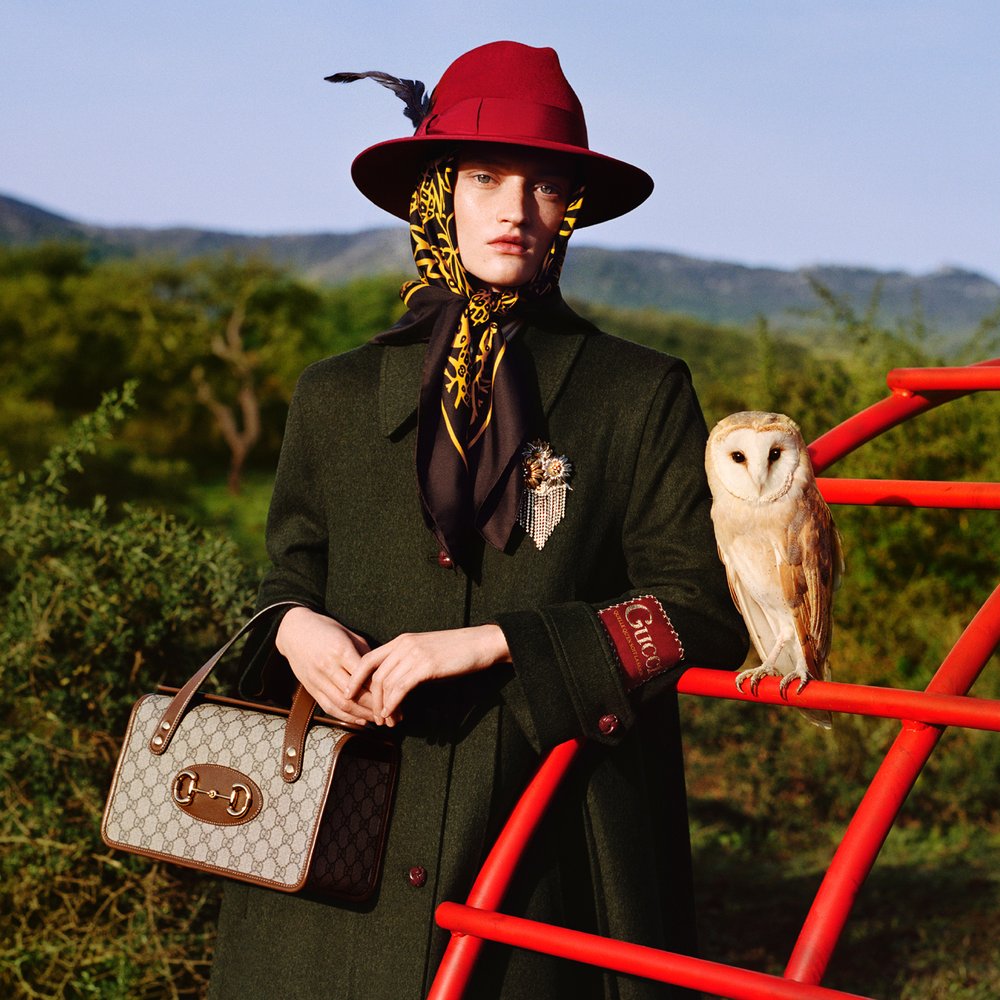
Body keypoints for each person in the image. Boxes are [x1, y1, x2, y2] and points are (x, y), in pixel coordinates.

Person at [208, 40, 747, 1000]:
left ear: (569, 209)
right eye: (486, 177)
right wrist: (294, 628)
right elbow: (288, 575)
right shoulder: (334, 394)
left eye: (545, 186)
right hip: (328, 866)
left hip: (547, 856)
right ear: (437, 194)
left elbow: (700, 611)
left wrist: (496, 642)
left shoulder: (640, 393)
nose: (514, 209)